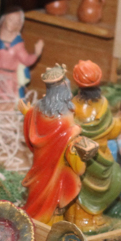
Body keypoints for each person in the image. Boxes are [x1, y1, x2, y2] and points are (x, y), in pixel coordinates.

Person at [19, 65, 84, 223]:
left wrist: (27, 113)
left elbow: (34, 123)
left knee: (46, 189)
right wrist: (76, 130)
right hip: (53, 163)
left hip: (45, 163)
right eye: (65, 83)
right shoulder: (64, 116)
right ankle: (45, 222)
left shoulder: (38, 107)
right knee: (50, 191)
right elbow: (65, 134)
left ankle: (43, 219)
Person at [66, 60, 121, 231]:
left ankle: (80, 217)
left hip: (79, 155)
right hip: (99, 156)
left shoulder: (72, 105)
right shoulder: (103, 104)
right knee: (113, 178)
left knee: (80, 183)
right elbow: (112, 130)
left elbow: (67, 128)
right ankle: (88, 219)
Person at [0, 7, 44, 110]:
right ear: (4, 19)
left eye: (16, 22)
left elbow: (26, 60)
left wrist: (36, 54)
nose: (13, 24)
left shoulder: (18, 44)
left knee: (9, 104)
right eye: (11, 20)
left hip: (9, 80)